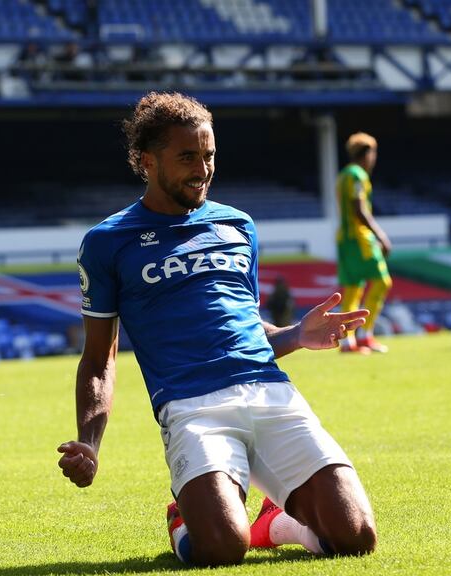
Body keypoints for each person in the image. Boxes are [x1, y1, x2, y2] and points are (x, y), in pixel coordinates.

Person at [57, 93, 377, 567]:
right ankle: (184, 519)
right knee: (223, 549)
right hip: (191, 408)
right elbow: (100, 358)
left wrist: (296, 335)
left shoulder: (238, 225)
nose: (203, 168)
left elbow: (241, 328)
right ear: (147, 161)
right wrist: (90, 441)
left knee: (356, 537)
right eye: (187, 157)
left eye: (208, 155)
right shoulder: (107, 242)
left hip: (272, 395)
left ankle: (278, 523)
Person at [335, 132, 391, 354]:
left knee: (352, 289)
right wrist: (380, 236)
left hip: (344, 239)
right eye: (373, 153)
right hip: (359, 239)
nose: (373, 159)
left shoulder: (343, 175)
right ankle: (365, 335)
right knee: (382, 282)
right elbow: (360, 209)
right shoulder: (357, 175)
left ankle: (349, 342)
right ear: (366, 154)